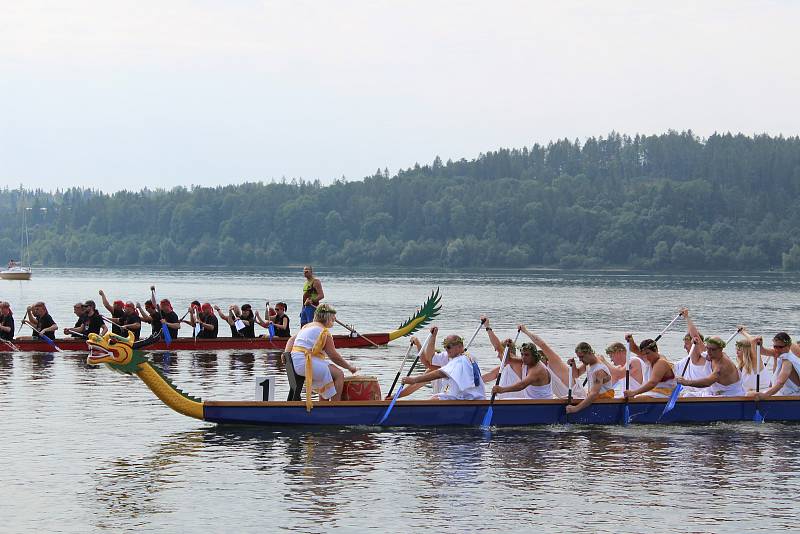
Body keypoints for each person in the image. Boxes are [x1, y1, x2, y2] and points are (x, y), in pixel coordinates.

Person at [286, 303, 358, 409]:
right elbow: (334, 356)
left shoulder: (307, 326)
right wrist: (349, 367)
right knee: (338, 374)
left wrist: (286, 354)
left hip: (296, 361)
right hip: (305, 362)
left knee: (327, 371)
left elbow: (291, 340)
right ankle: (335, 407)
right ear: (329, 318)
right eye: (333, 319)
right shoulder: (324, 332)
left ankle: (322, 406)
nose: (334, 321)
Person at [401, 329, 486, 400]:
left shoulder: (460, 360)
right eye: (445, 347)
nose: (446, 349)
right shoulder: (468, 358)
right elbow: (428, 362)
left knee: (433, 400)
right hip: (468, 398)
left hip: (466, 399)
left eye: (448, 347)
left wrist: (414, 379)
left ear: (460, 346)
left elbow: (439, 373)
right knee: (434, 398)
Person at [479, 317, 552, 399]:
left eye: (527, 355)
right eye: (522, 354)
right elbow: (507, 360)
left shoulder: (537, 369)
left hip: (541, 404)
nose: (523, 357)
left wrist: (501, 390)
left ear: (534, 355)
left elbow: (522, 385)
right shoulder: (522, 362)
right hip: (527, 402)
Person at [517, 326, 587, 399]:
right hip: (564, 399)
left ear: (546, 359)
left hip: (579, 398)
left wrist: (525, 331)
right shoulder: (539, 371)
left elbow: (542, 344)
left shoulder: (555, 363)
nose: (538, 362)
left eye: (540, 359)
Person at [676, 335, 745, 397]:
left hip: (729, 396)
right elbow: (696, 357)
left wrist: (686, 382)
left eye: (713, 350)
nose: (709, 352)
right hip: (714, 393)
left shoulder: (721, 367)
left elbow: (707, 382)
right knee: (687, 395)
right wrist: (695, 344)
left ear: (720, 349)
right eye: (707, 348)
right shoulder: (714, 355)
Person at [565, 342, 614, 414]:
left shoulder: (599, 370)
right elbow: (576, 375)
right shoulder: (588, 363)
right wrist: (573, 365)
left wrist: (575, 409)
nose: (580, 360)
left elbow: (594, 394)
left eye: (581, 357)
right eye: (579, 357)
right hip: (595, 400)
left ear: (589, 353)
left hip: (603, 403)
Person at [752, 333, 800, 398]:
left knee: (750, 394)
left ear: (788, 346)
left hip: (792, 395)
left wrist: (765, 395)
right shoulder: (779, 353)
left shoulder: (787, 362)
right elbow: (762, 351)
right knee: (749, 393)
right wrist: (760, 344)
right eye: (775, 346)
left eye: (780, 347)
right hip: (783, 392)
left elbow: (780, 383)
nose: (777, 350)